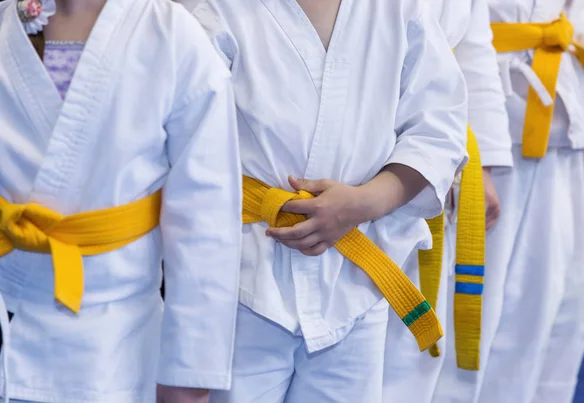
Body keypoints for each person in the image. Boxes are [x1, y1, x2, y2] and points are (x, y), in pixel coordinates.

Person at [180, 0, 469, 401]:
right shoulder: (215, 11)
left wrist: (364, 202)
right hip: (240, 277)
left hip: (357, 280)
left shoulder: (401, 9)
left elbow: (439, 128)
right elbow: (185, 147)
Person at [0, 0, 242, 402]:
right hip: (9, 319)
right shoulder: (7, 23)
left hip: (115, 340)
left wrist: (189, 374)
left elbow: (206, 222)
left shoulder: (172, 35)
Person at [383, 1, 512, 402]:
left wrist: (485, 161)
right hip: (375, 145)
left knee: (428, 344)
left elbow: (474, 48)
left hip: (445, 147)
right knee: (385, 343)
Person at [474, 1, 584, 402]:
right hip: (497, 139)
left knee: (568, 313)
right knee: (501, 324)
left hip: (566, 135)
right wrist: (478, 155)